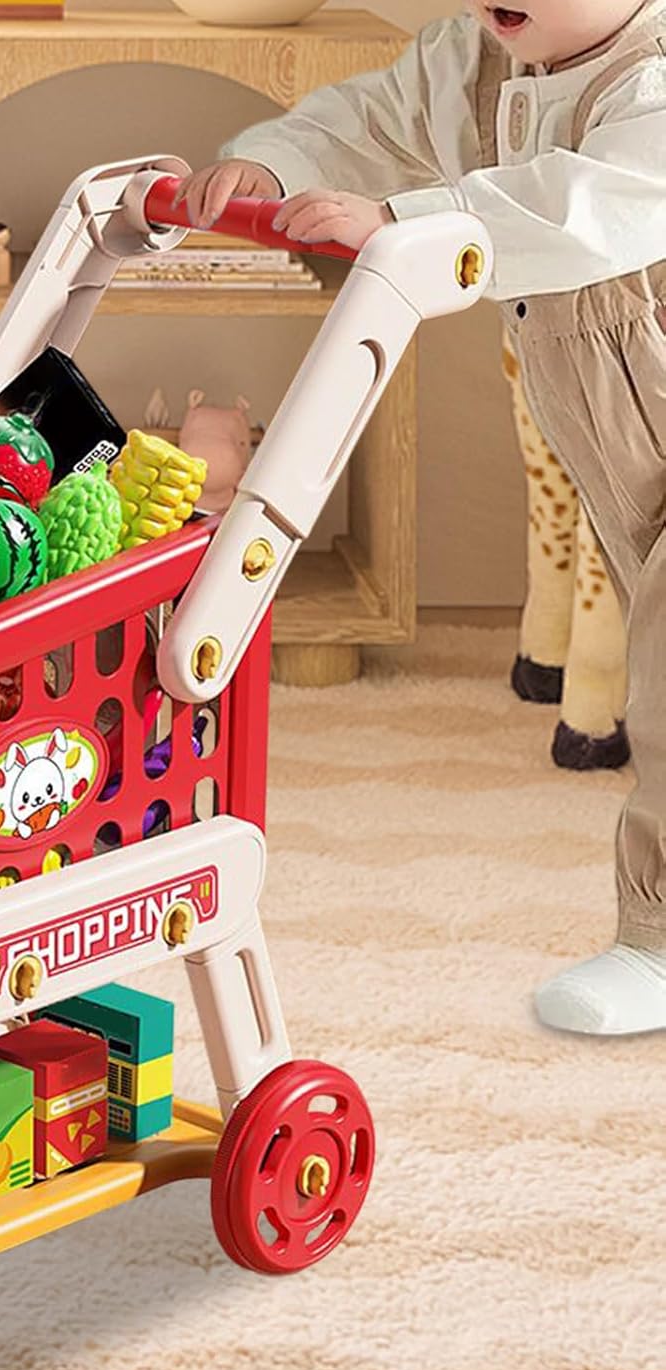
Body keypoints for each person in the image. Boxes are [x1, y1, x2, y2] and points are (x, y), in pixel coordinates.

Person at [175, 1, 666, 1036]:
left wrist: (413, 219)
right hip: (622, 446)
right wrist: (275, 166)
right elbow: (366, 119)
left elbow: (593, 204)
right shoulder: (472, 58)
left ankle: (657, 941)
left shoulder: (655, 74)